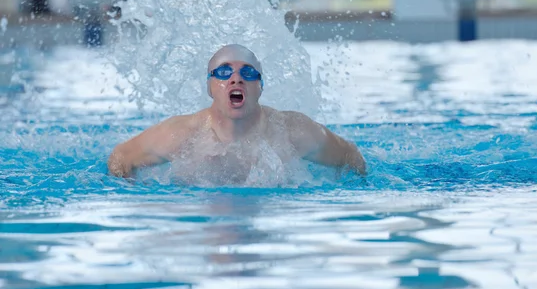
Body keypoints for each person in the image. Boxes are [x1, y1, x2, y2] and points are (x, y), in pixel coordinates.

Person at [107, 44, 366, 184]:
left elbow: (350, 155)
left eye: (248, 73)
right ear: (210, 87)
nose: (236, 79)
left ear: (260, 86)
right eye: (223, 72)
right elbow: (120, 158)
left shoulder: (293, 131)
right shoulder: (182, 134)